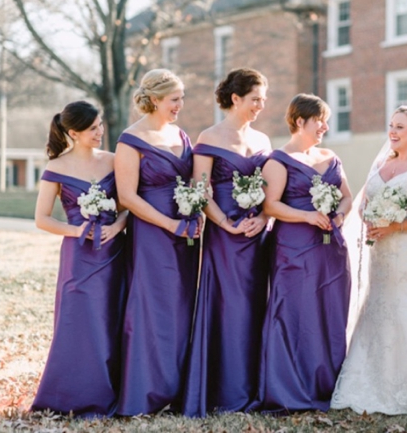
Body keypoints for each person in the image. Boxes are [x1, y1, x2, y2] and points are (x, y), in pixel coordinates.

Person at [331, 106, 407, 418]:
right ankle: (371, 384)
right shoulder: (383, 165)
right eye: (391, 125)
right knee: (381, 307)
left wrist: (395, 225)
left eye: (400, 127)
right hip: (382, 253)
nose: (393, 132)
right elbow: (366, 202)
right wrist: (370, 216)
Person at [254, 93, 353, 414]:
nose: (325, 125)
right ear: (300, 121)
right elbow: (271, 205)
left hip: (331, 250)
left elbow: (347, 197)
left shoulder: (330, 156)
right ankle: (291, 388)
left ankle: (328, 383)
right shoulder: (278, 160)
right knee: (295, 314)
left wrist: (337, 217)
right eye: (319, 120)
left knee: (329, 313)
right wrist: (309, 216)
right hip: (293, 249)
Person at [182, 68, 272, 417]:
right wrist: (225, 224)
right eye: (255, 100)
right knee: (228, 307)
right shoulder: (209, 136)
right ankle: (223, 390)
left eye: (263, 100)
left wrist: (264, 218)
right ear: (235, 99)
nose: (260, 107)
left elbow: (272, 188)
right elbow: (200, 189)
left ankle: (253, 388)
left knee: (254, 307)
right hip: (224, 236)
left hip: (257, 236)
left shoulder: (264, 140)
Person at [31, 101, 127, 417]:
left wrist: (116, 225)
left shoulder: (114, 161)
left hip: (114, 252)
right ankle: (72, 394)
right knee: (79, 321)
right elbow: (42, 219)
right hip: (79, 256)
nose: (100, 132)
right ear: (73, 132)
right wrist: (76, 231)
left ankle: (115, 392)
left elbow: (128, 205)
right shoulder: (56, 168)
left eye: (100, 126)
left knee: (112, 318)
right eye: (92, 129)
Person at [114, 69, 199, 415]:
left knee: (183, 307)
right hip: (152, 234)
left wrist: (195, 214)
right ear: (154, 100)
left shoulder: (181, 134)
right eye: (174, 99)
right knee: (153, 308)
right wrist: (168, 224)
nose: (181, 105)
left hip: (187, 234)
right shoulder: (130, 140)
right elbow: (127, 196)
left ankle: (179, 390)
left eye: (181, 98)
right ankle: (146, 391)